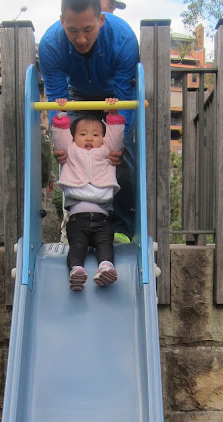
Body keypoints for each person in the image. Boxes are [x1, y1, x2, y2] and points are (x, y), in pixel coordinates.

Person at [38, 0, 139, 242]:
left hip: (114, 96)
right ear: (63, 22)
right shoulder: (50, 45)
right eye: (72, 30)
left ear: (101, 20)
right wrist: (61, 143)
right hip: (77, 95)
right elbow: (56, 99)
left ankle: (121, 228)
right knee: (73, 154)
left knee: (120, 157)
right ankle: (76, 225)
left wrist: (116, 144)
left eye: (88, 29)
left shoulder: (124, 39)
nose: (81, 39)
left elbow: (125, 96)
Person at [51, 103, 125, 291]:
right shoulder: (71, 152)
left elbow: (116, 138)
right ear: (73, 138)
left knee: (105, 244)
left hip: (102, 220)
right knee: (77, 246)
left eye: (96, 135)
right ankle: (76, 271)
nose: (89, 138)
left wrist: (114, 115)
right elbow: (60, 139)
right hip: (78, 219)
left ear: (104, 139)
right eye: (83, 134)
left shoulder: (107, 152)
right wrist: (61, 115)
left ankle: (106, 267)